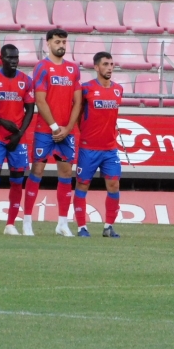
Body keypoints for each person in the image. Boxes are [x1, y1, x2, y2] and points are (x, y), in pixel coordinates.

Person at [24, 28, 82, 237]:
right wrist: (56, 127)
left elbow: (78, 101)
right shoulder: (42, 67)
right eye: (58, 41)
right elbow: (40, 100)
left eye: (64, 42)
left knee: (66, 174)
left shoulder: (73, 69)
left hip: (67, 132)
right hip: (45, 130)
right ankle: (28, 220)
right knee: (37, 171)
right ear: (48, 43)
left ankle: (62, 223)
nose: (62, 45)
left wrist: (67, 128)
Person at [0, 44, 35, 236]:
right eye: (9, 58)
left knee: (17, 181)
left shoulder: (26, 81)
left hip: (18, 140)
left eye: (16, 58)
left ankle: (10, 224)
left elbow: (30, 109)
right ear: (1, 58)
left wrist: (19, 134)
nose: (13, 61)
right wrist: (2, 121)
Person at [73, 52, 122, 238]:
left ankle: (108, 226)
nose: (110, 67)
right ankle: (81, 227)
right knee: (82, 185)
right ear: (96, 67)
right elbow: (77, 114)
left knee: (114, 185)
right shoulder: (86, 89)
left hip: (110, 148)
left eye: (111, 64)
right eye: (105, 64)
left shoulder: (118, 90)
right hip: (88, 148)